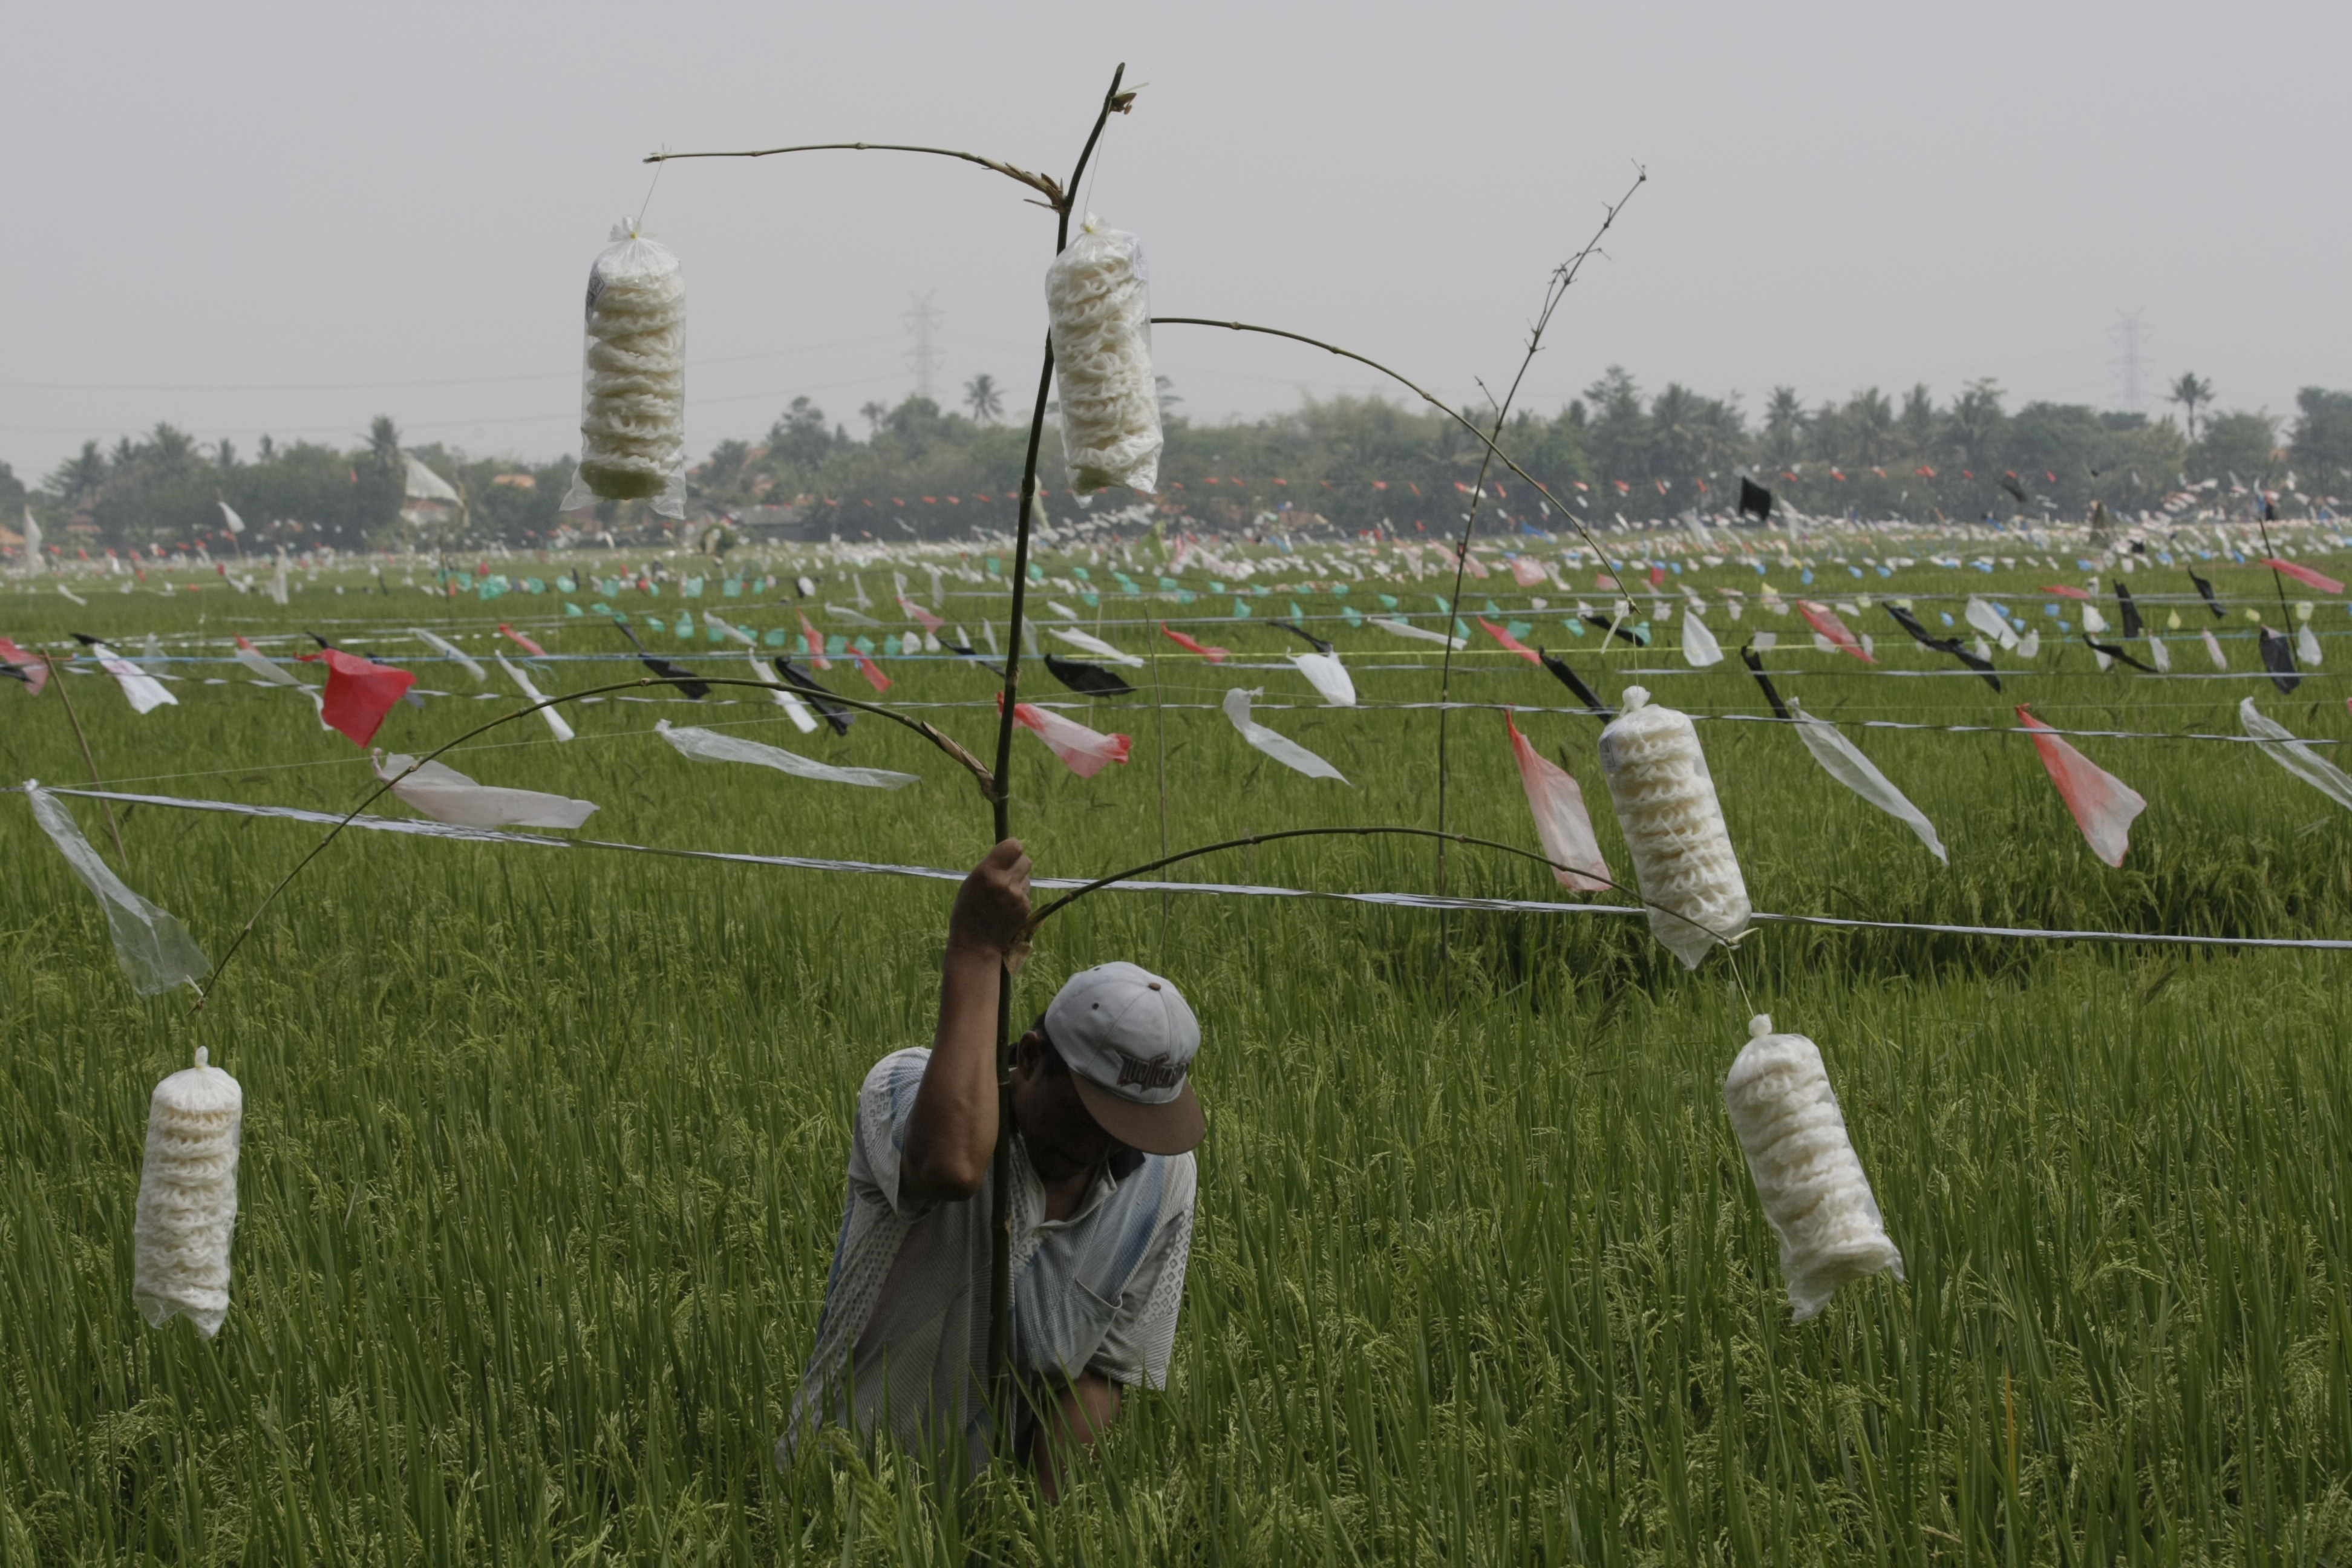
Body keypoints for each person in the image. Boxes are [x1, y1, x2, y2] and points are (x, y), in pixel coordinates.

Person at [784, 839, 1202, 1496]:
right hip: (839, 1499)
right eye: (1088, 1117)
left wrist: (1037, 1532)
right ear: (1031, 1059)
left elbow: (1099, 1376)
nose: (1101, 1148)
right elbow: (950, 1165)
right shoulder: (903, 1092)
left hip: (987, 1522)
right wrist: (977, 947)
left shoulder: (1163, 1178)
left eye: (1128, 1128)